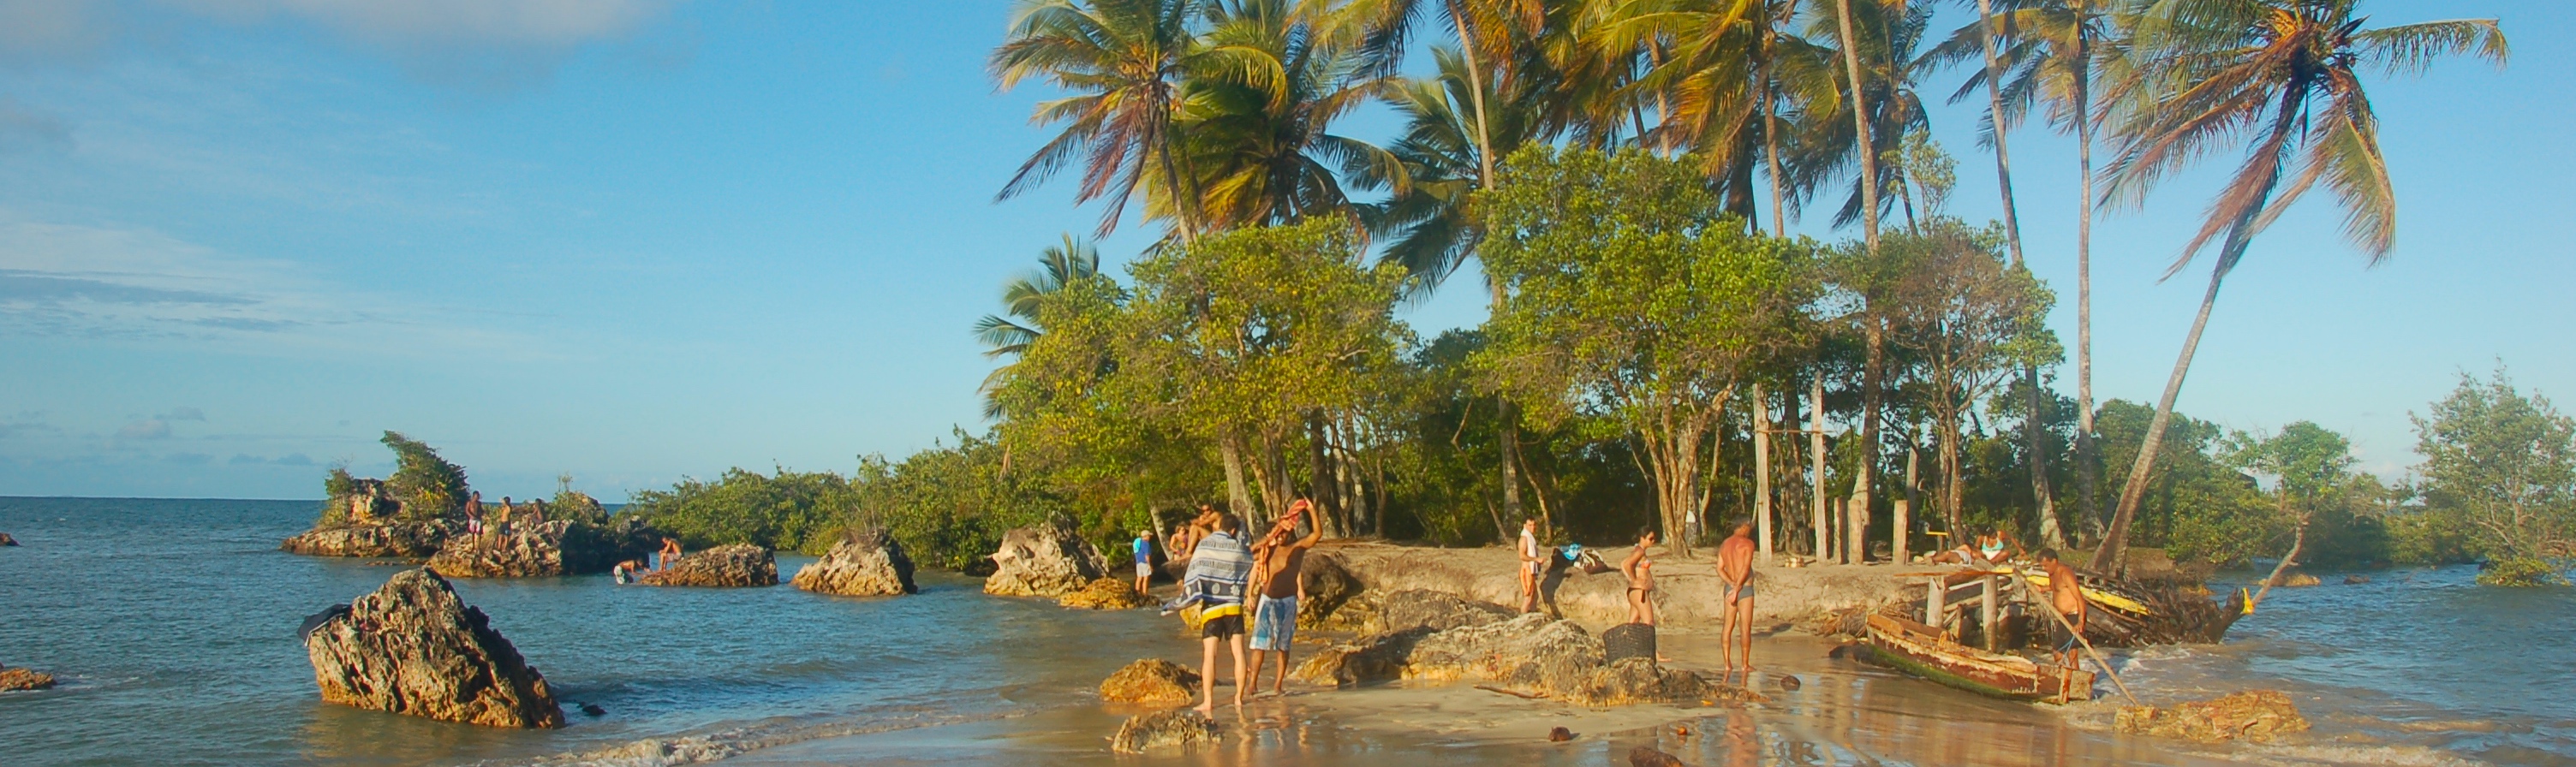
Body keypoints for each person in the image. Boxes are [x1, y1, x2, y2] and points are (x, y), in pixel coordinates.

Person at [1160, 506, 1254, 714]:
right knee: (1239, 652)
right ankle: (1239, 698)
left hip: (1212, 606)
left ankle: (1209, 701)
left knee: (1209, 655)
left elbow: (1195, 572)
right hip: (1233, 606)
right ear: (1233, 531)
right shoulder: (1240, 549)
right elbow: (1250, 562)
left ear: (1220, 527)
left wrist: (1183, 599)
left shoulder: (1206, 545)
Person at [1247, 499, 1322, 698]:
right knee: (1259, 644)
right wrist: (1263, 542)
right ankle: (1252, 684)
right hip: (1267, 600)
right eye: (1278, 534)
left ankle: (1278, 685)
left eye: (1285, 533)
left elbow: (1317, 535)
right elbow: (1245, 555)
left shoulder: (1296, 549)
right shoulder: (1267, 550)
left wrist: (1312, 511)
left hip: (1288, 602)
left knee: (1283, 646)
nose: (1282, 537)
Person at [2038, 549, 2089, 698]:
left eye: (2045, 565)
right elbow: (2055, 589)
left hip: (2073, 617)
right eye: (2041, 566)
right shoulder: (2052, 575)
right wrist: (2042, 588)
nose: (2044, 568)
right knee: (2057, 651)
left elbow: (2079, 598)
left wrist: (2080, 621)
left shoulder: (2065, 573)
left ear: (2054, 561)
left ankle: (2078, 688)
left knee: (2072, 652)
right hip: (2063, 618)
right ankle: (2064, 683)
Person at [1716, 520, 1757, 681]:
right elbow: (1745, 568)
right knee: (1745, 627)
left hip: (1729, 587)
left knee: (1727, 626)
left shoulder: (1725, 544)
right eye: (1749, 528)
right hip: (1744, 589)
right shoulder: (1748, 544)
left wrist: (1731, 584)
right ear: (1743, 526)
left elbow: (1719, 568)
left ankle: (1727, 663)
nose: (1749, 532)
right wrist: (1738, 587)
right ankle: (1744, 664)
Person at [1619, 527, 1659, 626]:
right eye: (1650, 538)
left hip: (1635, 592)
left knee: (1633, 624)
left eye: (1654, 538)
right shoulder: (1640, 552)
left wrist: (1630, 579)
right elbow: (1627, 564)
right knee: (1649, 623)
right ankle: (1647, 641)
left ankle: (1627, 640)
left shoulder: (1638, 550)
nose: (1653, 541)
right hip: (1639, 592)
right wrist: (1634, 580)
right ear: (1642, 538)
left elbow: (1623, 563)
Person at [1518, 518, 1543, 613]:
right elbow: (1522, 556)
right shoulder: (1524, 538)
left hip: (1531, 571)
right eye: (1530, 525)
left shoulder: (1530, 537)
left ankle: (1532, 614)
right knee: (1528, 597)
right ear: (1525, 525)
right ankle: (1523, 618)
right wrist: (1536, 559)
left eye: (1534, 525)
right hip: (1527, 570)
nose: (1533, 527)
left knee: (1535, 595)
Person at [1132, 529, 1158, 595]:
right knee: (1146, 579)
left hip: (1138, 563)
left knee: (1139, 578)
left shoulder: (1138, 543)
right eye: (1149, 536)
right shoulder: (1146, 544)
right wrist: (1150, 565)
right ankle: (1145, 593)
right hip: (1145, 563)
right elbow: (1147, 556)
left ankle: (1137, 593)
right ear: (1146, 536)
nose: (1150, 537)